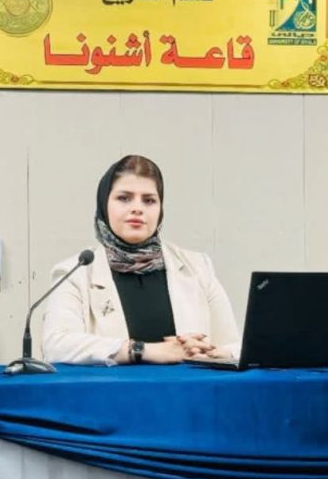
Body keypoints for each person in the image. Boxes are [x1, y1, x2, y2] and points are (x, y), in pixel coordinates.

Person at [42, 154, 239, 364]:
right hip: (113, 387)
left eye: (149, 200)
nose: (137, 208)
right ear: (104, 204)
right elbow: (56, 345)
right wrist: (143, 350)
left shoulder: (198, 267)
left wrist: (207, 352)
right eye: (124, 198)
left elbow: (234, 346)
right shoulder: (75, 273)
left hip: (190, 386)